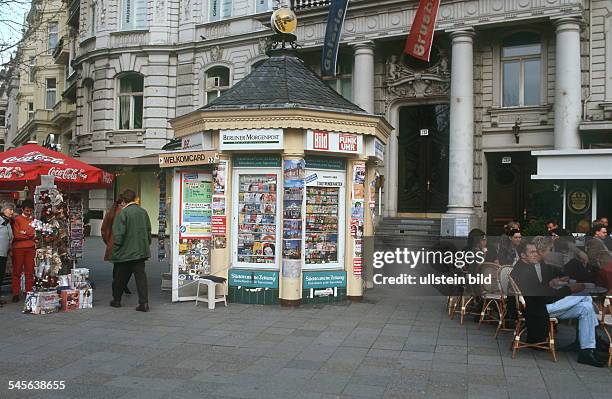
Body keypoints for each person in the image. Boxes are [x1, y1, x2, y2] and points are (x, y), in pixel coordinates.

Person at [511, 240, 605, 367]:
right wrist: (568, 289)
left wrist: (552, 284)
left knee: (586, 307)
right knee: (585, 297)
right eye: (532, 252)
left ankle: (586, 351)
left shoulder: (528, 266)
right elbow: (541, 297)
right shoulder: (523, 271)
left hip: (540, 305)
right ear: (523, 255)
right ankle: (593, 338)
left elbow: (540, 291)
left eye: (536, 251)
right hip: (537, 310)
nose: (535, 254)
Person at [110, 189, 152, 312]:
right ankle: (144, 303)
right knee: (141, 277)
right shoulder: (143, 212)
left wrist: (116, 249)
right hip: (141, 251)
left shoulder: (123, 213)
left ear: (124, 200)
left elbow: (118, 235)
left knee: (120, 277)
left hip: (126, 252)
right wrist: (146, 244)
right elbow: (148, 231)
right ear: (134, 198)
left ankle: (116, 300)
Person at [101, 196, 132, 295]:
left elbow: (104, 229)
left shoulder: (111, 211)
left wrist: (108, 241)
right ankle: (121, 286)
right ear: (123, 202)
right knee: (127, 267)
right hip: (122, 243)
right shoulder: (124, 212)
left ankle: (117, 285)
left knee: (117, 266)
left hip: (113, 243)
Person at [11, 200, 36, 303]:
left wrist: (24, 233)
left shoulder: (34, 220)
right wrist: (29, 235)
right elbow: (17, 235)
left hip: (30, 248)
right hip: (18, 248)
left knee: (29, 271)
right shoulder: (17, 219)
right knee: (17, 271)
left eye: (30, 211)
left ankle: (28, 291)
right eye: (27, 211)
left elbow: (34, 233)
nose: (28, 213)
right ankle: (15, 293)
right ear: (22, 209)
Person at [0, 202, 15, 306]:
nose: (12, 212)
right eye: (10, 209)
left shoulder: (8, 222)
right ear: (3, 210)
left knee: (1, 275)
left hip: (4, 253)